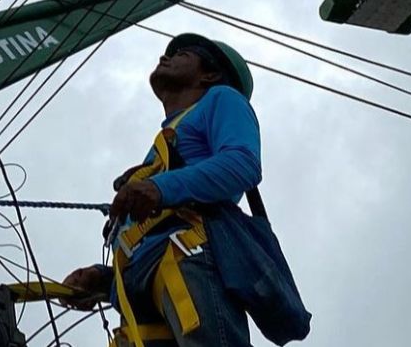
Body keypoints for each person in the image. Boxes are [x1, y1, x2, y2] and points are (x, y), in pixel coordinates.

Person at [62, 33, 261, 346]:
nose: (166, 57)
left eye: (182, 53)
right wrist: (104, 279)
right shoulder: (171, 139)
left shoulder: (222, 98)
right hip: (144, 290)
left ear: (209, 74)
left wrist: (158, 187)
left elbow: (242, 165)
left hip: (186, 260)